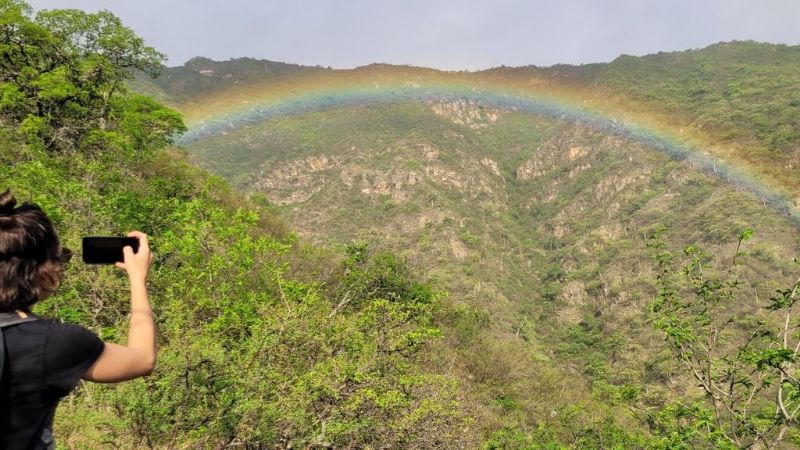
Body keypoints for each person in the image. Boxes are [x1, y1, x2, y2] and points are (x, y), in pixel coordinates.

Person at [0, 189, 156, 449]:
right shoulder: (52, 342)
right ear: (40, 269)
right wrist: (138, 279)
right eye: (61, 257)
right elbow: (142, 359)